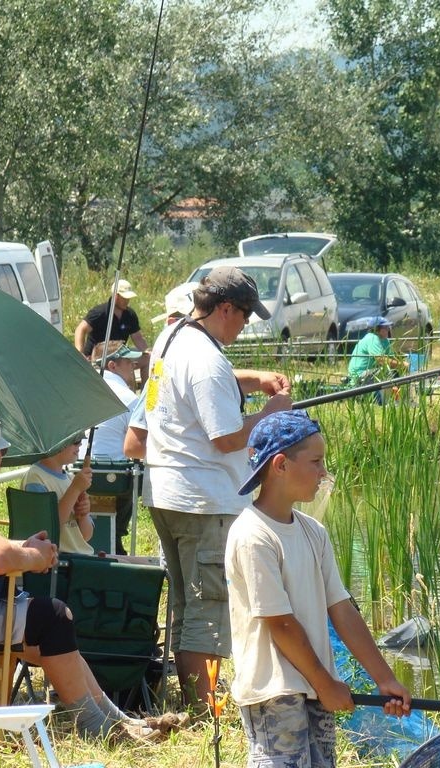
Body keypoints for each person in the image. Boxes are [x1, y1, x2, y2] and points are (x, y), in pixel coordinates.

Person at [0, 408, 179, 743]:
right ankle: (99, 724)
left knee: (47, 625)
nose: (1, 461)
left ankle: (115, 720)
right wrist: (32, 555)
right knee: (53, 617)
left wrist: (23, 549)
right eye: (1, 454)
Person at [226, 410, 410, 767]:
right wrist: (325, 684)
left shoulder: (314, 532)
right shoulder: (253, 535)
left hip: (315, 683)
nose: (324, 472)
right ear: (280, 465)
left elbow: (341, 608)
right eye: (316, 461)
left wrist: (383, 678)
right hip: (274, 688)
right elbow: (279, 622)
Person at [144, 266, 293, 708]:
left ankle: (190, 697)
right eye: (245, 314)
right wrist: (274, 412)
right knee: (209, 605)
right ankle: (201, 708)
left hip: (167, 492)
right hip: (204, 499)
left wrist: (253, 378)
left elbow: (195, 382)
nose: (246, 323)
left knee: (186, 602)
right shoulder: (207, 361)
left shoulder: (172, 337)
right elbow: (226, 437)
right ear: (225, 308)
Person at [82, 340, 144, 554]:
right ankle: (115, 542)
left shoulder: (81, 390)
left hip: (77, 473)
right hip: (114, 479)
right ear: (112, 366)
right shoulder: (128, 398)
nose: (133, 366)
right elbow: (139, 443)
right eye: (128, 361)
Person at [23, 434, 94, 556]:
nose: (80, 444)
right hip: (61, 561)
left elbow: (86, 536)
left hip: (80, 556)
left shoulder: (70, 479)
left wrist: (83, 515)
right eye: (75, 440)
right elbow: (47, 529)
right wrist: (75, 489)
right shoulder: (36, 477)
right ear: (56, 440)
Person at [74, 279, 149, 364]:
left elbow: (137, 338)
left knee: (147, 359)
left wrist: (147, 351)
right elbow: (80, 329)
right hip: (96, 357)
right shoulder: (99, 312)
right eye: (124, 298)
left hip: (119, 355)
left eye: (128, 298)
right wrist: (79, 353)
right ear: (115, 296)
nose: (127, 301)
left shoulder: (130, 315)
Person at [347, 316, 406, 383]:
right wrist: (402, 365)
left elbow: (391, 358)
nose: (388, 329)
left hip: (370, 371)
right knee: (387, 372)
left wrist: (402, 362)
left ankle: (395, 392)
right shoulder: (372, 338)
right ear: (377, 329)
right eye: (385, 327)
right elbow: (381, 360)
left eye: (388, 327)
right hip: (359, 374)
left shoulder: (385, 340)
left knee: (393, 372)